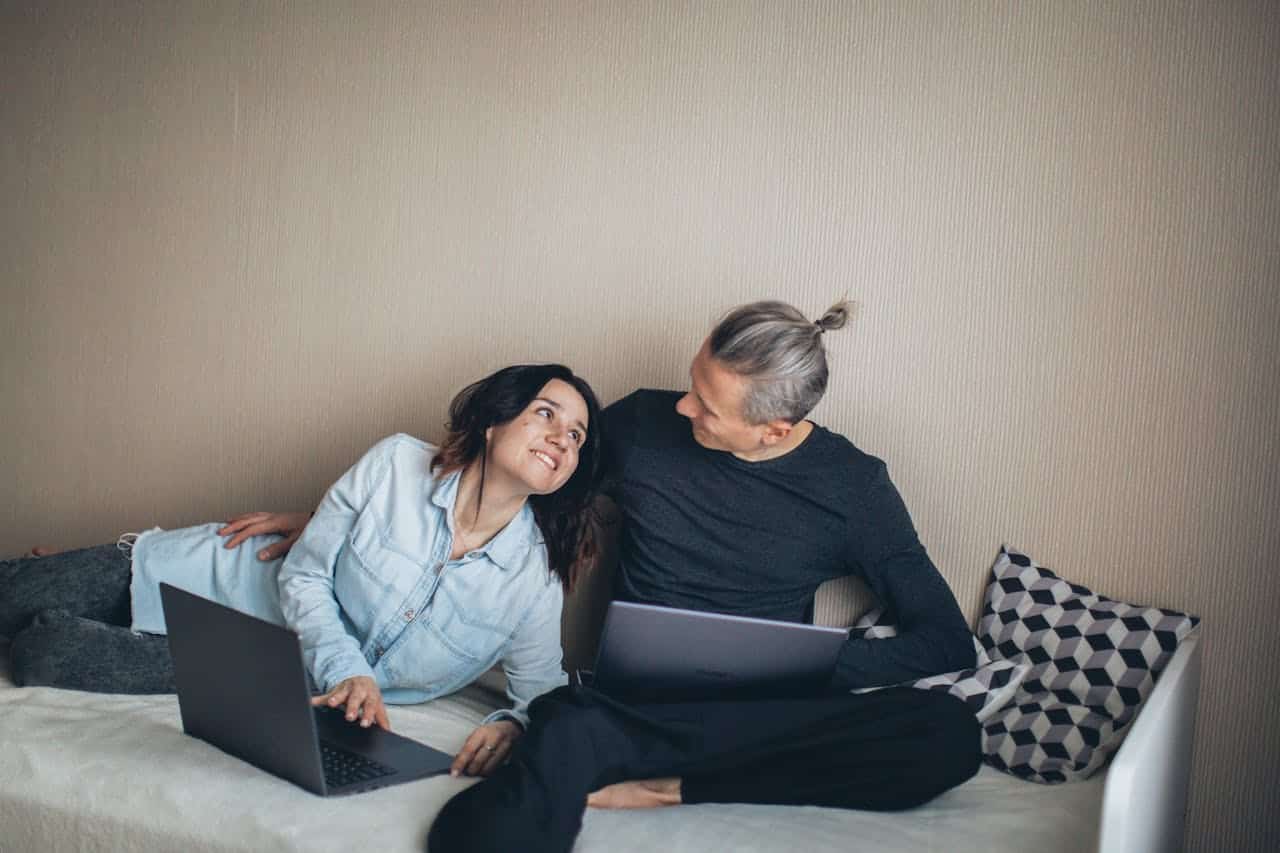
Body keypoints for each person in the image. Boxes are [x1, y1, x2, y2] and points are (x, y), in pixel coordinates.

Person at [184, 299, 981, 850]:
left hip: (761, 714)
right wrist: (327, 515)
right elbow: (506, 479)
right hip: (628, 710)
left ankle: (669, 787)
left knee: (950, 734)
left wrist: (805, 660)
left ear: (773, 429)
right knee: (552, 738)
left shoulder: (854, 488)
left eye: (708, 407)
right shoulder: (639, 425)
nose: (683, 409)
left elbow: (944, 639)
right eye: (693, 383)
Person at [0, 363, 604, 778]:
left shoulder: (533, 579)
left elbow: (542, 692)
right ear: (495, 419)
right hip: (216, 575)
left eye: (576, 435)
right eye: (545, 413)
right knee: (13, 593)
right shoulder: (395, 466)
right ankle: (65, 578)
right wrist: (351, 672)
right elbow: (305, 576)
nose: (561, 438)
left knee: (42, 655)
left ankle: (49, 614)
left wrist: (513, 726)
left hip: (254, 668)